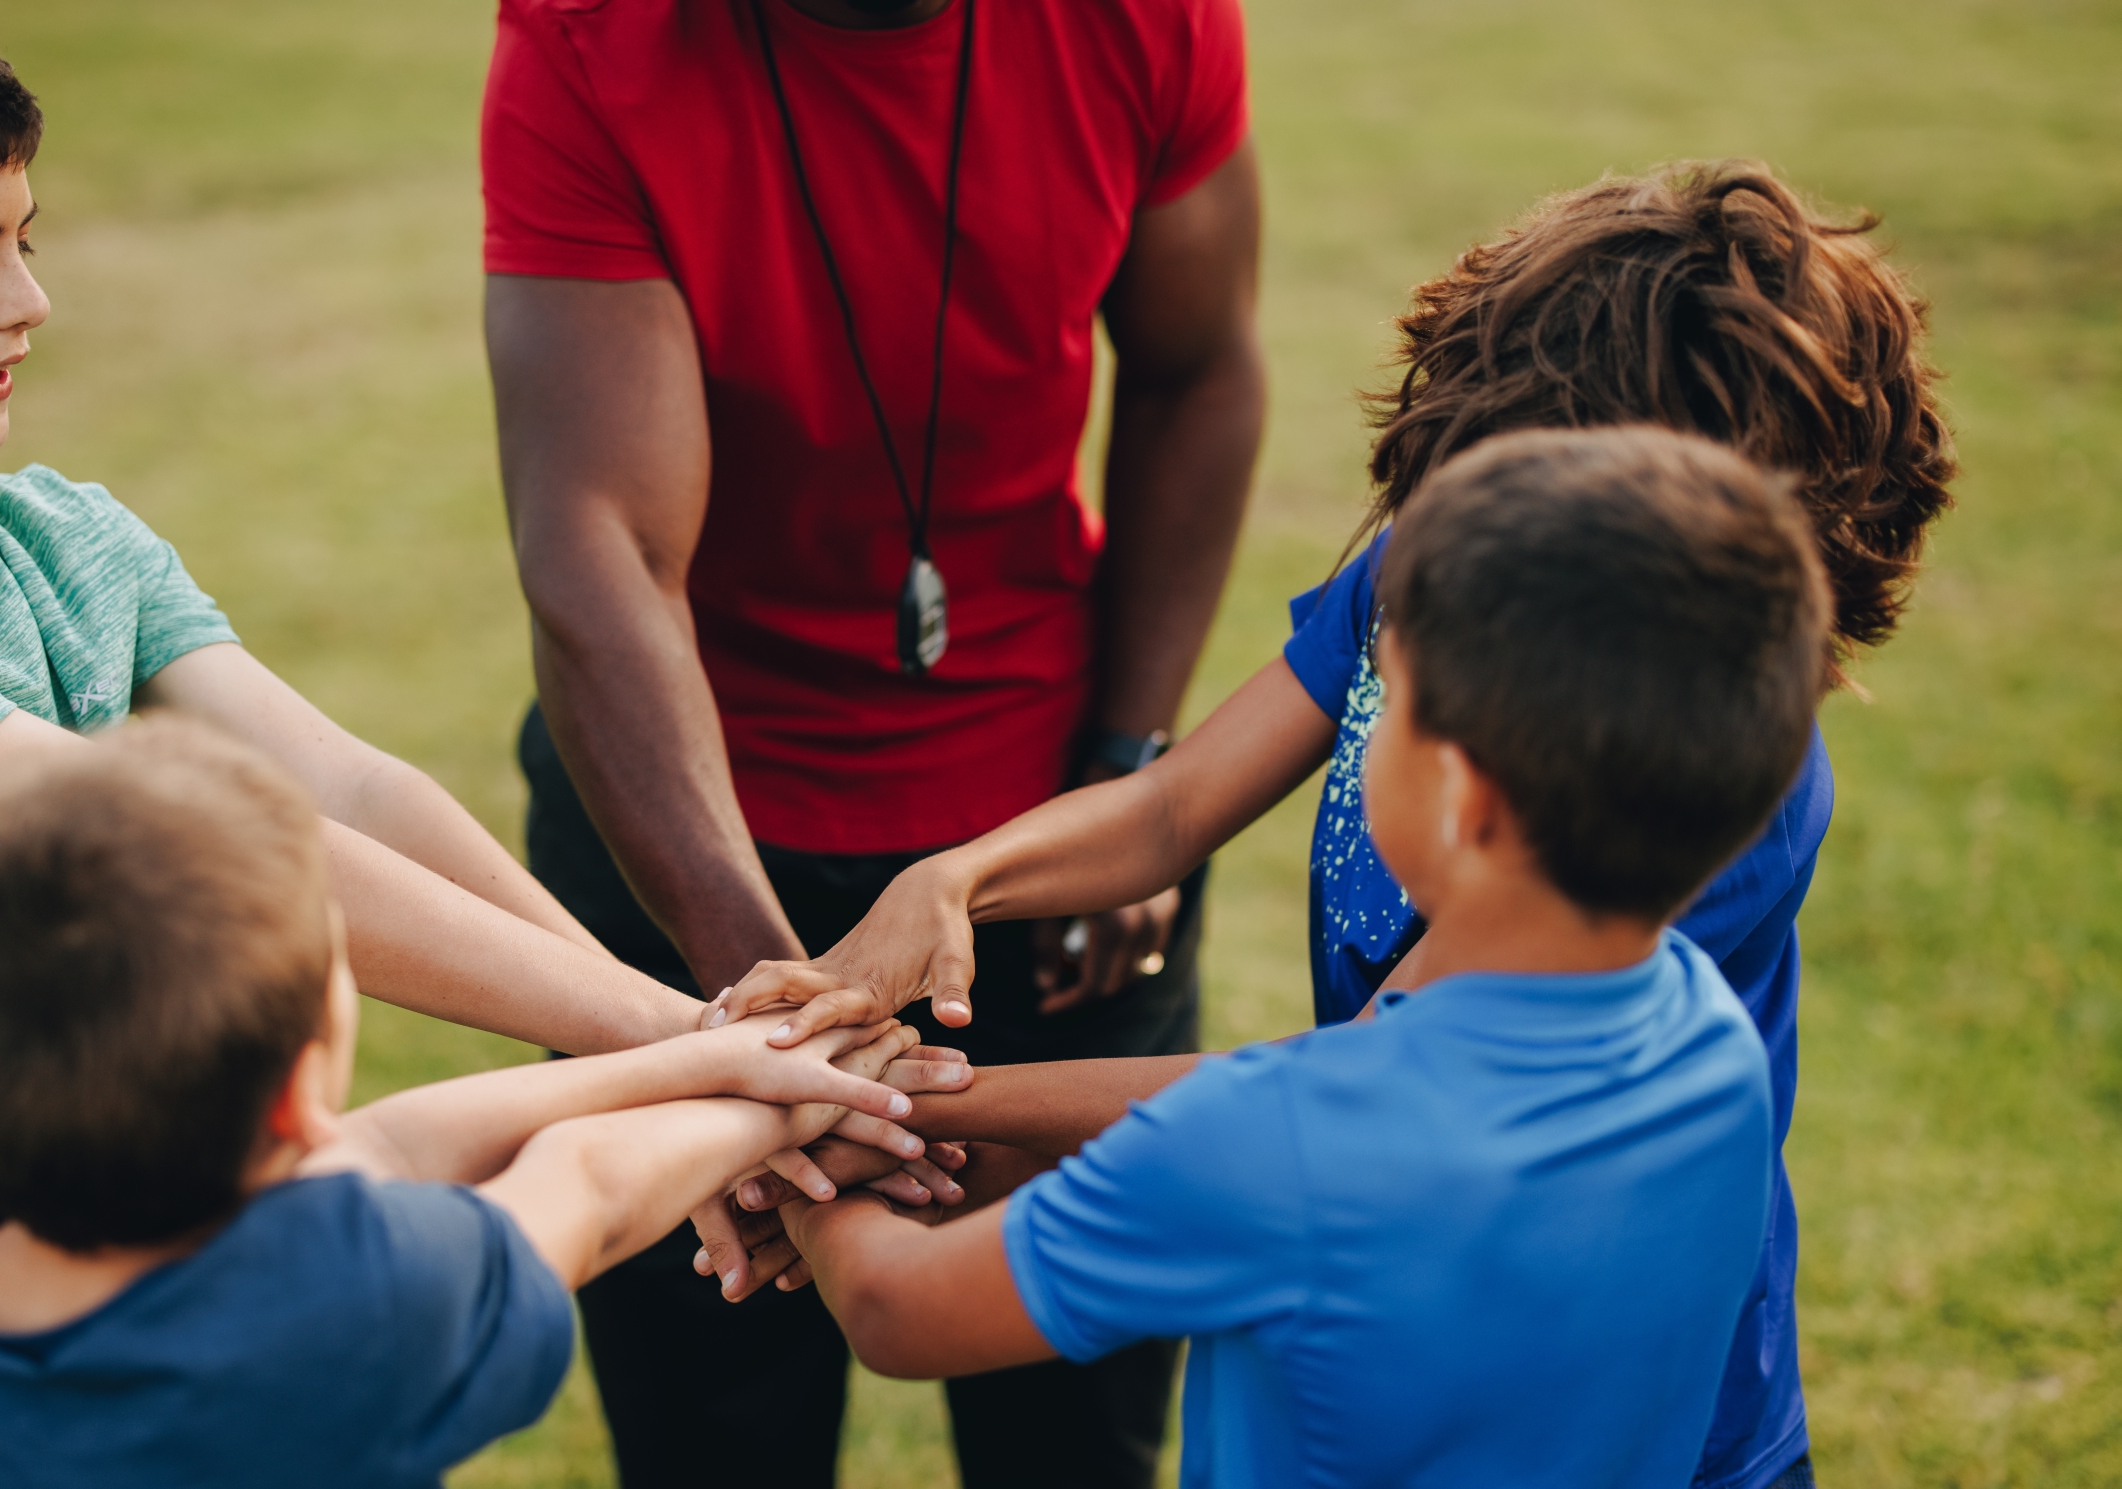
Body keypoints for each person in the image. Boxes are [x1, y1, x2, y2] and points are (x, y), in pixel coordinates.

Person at [0, 4, 949, 1482]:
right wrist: (699, 1051)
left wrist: (682, 1040)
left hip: (156, 1281)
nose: (30, 300)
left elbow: (350, 789)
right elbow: (219, 862)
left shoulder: (68, 539)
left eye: (27, 237)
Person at [718, 160, 1956, 1489]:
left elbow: (1358, 1097)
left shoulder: (1689, 796)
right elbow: (1177, 803)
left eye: (1398, 686)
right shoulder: (1468, 578)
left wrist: (850, 1116)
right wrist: (951, 883)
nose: (1382, 642)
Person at [479, 0, 1262, 1478]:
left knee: (1080, 1437)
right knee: (717, 1432)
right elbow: (600, 546)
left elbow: (1196, 365)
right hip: (688, 853)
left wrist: (1128, 761)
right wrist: (779, 1019)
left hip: (1052, 842)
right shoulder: (592, 36)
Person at [773, 426, 1826, 1486]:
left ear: (1460, 797)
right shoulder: (1716, 1049)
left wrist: (807, 1160)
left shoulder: (1272, 1145)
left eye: (1385, 698)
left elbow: (894, 1308)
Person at [0, 720, 960, 1487]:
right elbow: (590, 1187)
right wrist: (802, 1094)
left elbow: (374, 1146)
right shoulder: (362, 1300)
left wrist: (719, 1059)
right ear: (296, 1089)